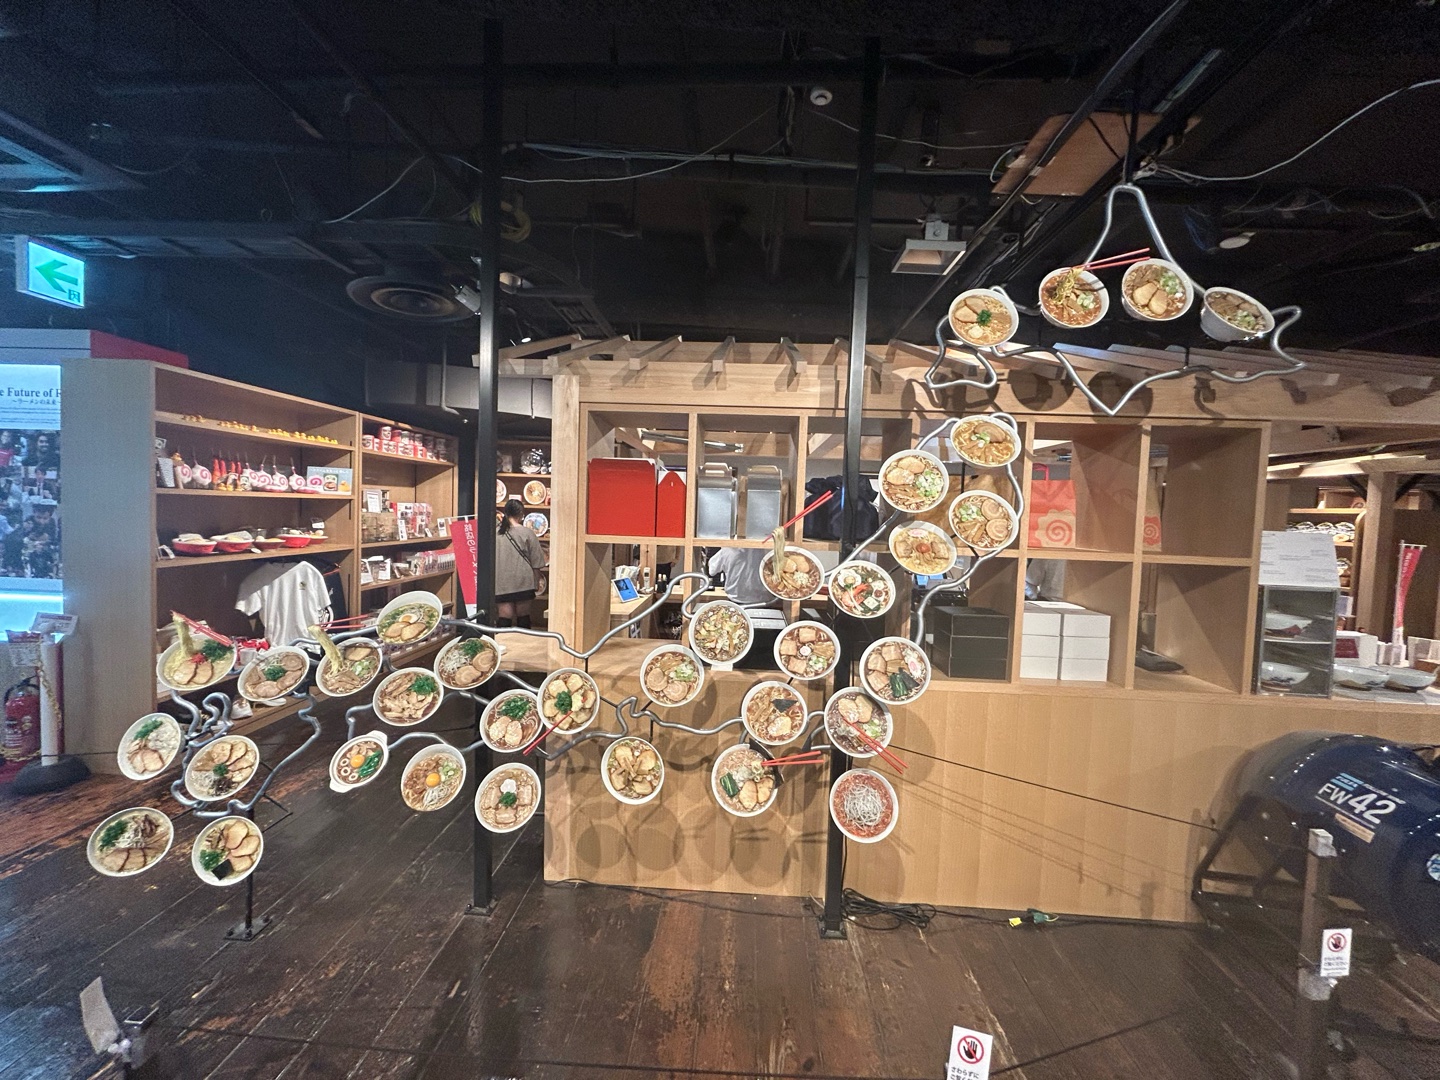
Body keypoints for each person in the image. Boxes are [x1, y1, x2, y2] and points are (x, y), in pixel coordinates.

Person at [495, 499, 546, 628]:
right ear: (521, 514)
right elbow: (536, 561)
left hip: (501, 581)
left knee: (504, 617)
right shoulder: (527, 533)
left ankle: (502, 641)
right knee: (523, 617)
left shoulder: (496, 533)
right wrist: (536, 582)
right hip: (524, 581)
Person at [706, 546, 776, 606]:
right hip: (765, 602)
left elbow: (712, 570)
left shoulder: (727, 550)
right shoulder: (767, 550)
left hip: (736, 601)